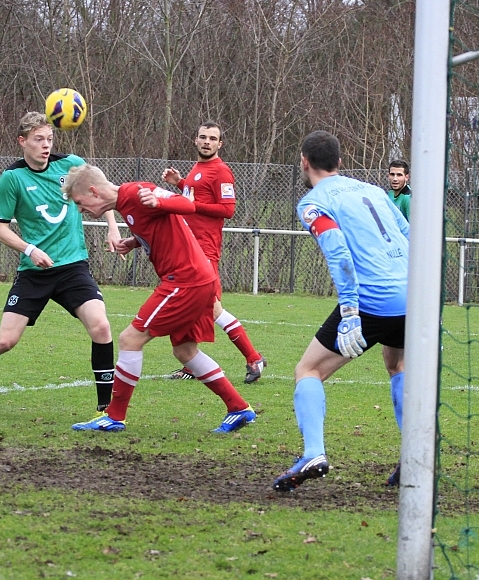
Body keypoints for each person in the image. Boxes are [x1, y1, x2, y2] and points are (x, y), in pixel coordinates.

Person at [0, 112, 120, 417]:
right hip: (35, 272)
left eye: (50, 139)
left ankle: (106, 410)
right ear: (22, 141)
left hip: (72, 267)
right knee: (5, 341)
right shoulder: (13, 178)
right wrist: (30, 249)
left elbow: (104, 191)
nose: (46, 145)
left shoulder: (70, 164)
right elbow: (0, 229)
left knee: (101, 326)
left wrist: (113, 227)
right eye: (38, 139)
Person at [62, 164, 256, 434]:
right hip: (198, 278)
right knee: (185, 351)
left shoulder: (137, 192)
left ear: (94, 191)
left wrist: (159, 200)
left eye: (80, 202)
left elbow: (186, 204)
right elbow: (157, 224)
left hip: (185, 280)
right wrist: (135, 242)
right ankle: (239, 408)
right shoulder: (125, 204)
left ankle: (114, 417)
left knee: (130, 339)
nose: (80, 209)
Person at [273, 131, 409, 492]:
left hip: (373, 299)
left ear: (304, 162)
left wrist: (350, 311)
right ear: (340, 161)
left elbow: (338, 252)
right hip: (411, 294)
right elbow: (410, 236)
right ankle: (415, 453)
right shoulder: (374, 191)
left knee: (309, 370)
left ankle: (313, 453)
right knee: (398, 366)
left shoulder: (313, 203)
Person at [161, 121, 267, 384]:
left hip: (205, 250)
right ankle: (192, 363)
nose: (207, 142)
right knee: (191, 306)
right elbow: (195, 197)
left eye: (212, 138)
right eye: (203, 137)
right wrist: (180, 183)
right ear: (196, 140)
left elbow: (227, 209)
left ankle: (253, 357)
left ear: (220, 144)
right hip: (188, 248)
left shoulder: (221, 171)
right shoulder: (197, 169)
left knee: (212, 308)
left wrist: (192, 203)